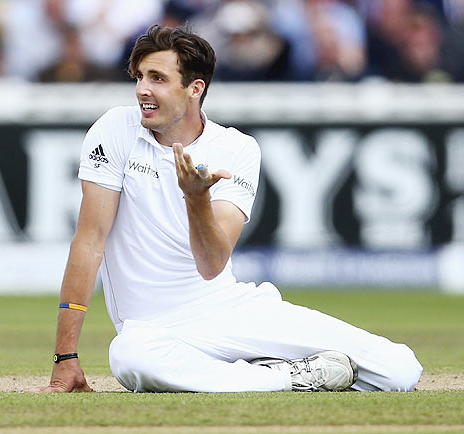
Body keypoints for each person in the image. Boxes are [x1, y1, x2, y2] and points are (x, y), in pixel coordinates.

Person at [26, 24, 423, 394]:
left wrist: (196, 199)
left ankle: (263, 369)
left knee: (400, 369)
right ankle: (291, 375)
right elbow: (89, 242)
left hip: (231, 312)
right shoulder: (115, 129)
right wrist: (66, 356)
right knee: (127, 356)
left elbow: (212, 263)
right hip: (153, 332)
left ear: (195, 88)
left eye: (158, 79)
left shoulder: (237, 148)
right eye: (140, 77)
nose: (142, 90)